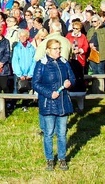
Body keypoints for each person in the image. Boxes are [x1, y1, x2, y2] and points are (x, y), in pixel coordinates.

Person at [32, 36, 76, 171]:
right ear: (48, 50)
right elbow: (35, 83)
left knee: (62, 133)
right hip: (48, 104)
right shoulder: (42, 64)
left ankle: (62, 158)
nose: (58, 51)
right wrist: (49, 93)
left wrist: (70, 83)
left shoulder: (64, 62)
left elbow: (73, 78)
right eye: (55, 49)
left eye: (59, 48)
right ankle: (50, 160)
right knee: (49, 134)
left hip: (63, 103)